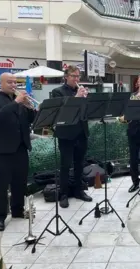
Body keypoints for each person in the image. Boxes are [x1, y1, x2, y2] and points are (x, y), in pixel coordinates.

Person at [0, 73, 36, 231]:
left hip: (21, 148)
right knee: (1, 185)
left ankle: (17, 211)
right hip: (2, 150)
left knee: (19, 183)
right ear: (0, 83)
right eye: (10, 82)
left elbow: (30, 121)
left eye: (15, 82)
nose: (13, 85)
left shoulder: (20, 101)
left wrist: (31, 108)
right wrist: (16, 102)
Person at [51, 65, 92, 208]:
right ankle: (63, 193)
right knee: (65, 165)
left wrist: (87, 100)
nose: (76, 79)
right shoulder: (57, 92)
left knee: (80, 164)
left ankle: (78, 190)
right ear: (66, 77)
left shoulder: (82, 91)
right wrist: (77, 97)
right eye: (73, 76)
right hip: (66, 134)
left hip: (81, 132)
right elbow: (62, 112)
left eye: (78, 76)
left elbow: (88, 113)